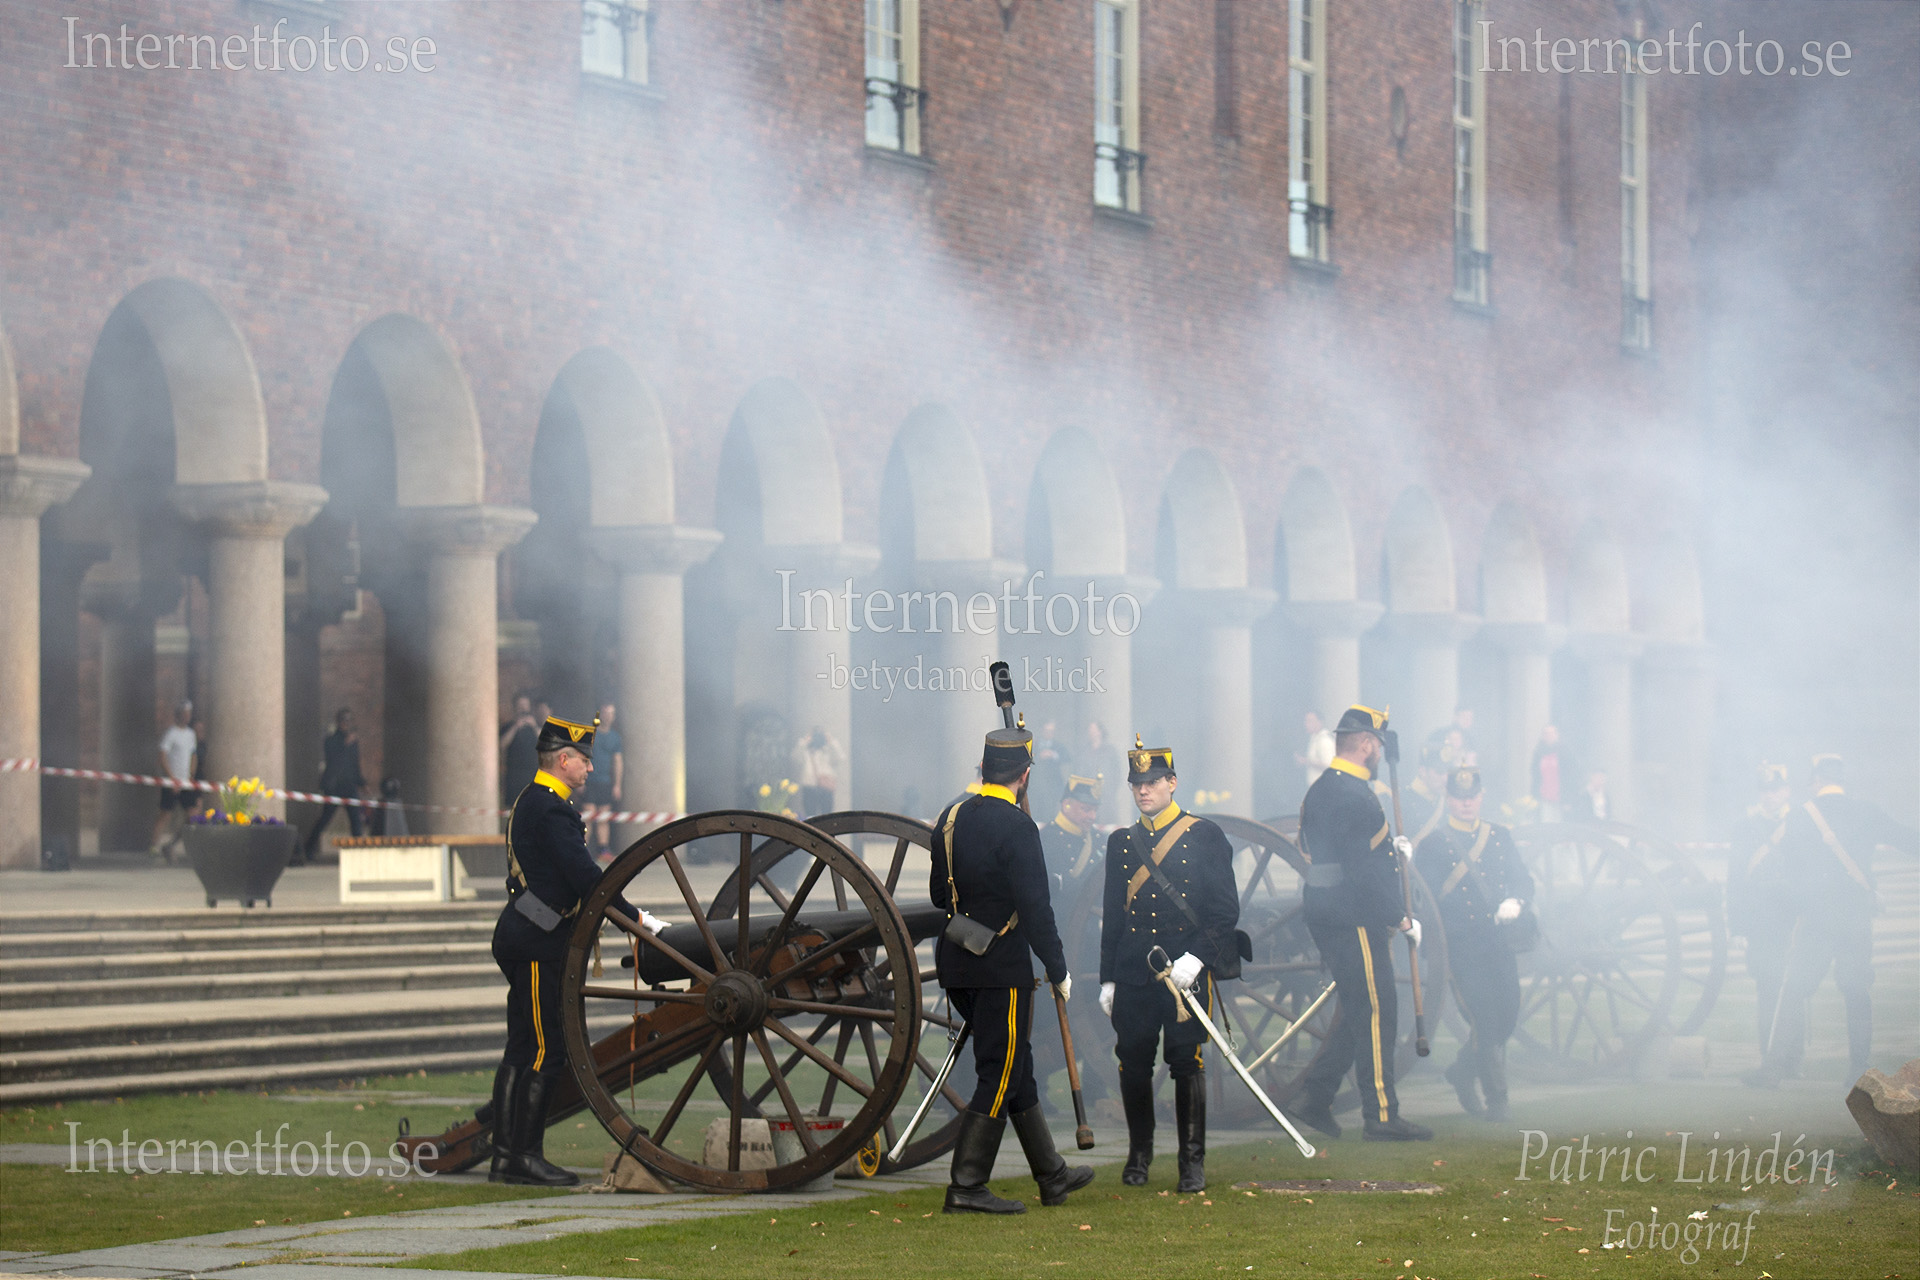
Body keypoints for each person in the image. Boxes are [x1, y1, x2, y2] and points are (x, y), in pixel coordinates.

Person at [489, 714, 663, 1186]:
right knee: (547, 1049)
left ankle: (506, 1157)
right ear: (563, 760)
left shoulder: (537, 801)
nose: (590, 769)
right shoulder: (552, 809)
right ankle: (522, 1157)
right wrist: (637, 919)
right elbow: (587, 879)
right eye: (584, 761)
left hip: (528, 934)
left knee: (523, 1045)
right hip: (537, 941)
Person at [930, 720, 1092, 1215]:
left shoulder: (950, 816)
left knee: (1016, 1069)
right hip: (1000, 967)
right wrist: (1059, 968)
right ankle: (967, 1185)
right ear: (1024, 776)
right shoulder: (1019, 827)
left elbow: (941, 895)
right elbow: (1037, 910)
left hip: (956, 959)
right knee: (998, 1073)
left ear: (983, 768)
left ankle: (1051, 1174)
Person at [1097, 737, 1239, 1192]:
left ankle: (1191, 1164)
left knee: (1185, 1062)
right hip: (1135, 974)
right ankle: (1139, 1155)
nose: (1144, 790)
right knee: (1133, 1062)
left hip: (1186, 975)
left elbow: (1223, 911)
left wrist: (1196, 959)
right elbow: (1112, 917)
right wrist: (1107, 979)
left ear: (1172, 783)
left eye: (1153, 782)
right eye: (1137, 783)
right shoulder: (1121, 843)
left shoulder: (1204, 835)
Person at [1286, 705, 1432, 1142]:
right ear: (1366, 743)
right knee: (1377, 1010)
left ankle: (1316, 1097)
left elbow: (1343, 852)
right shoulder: (1353, 794)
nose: (1378, 753)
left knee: (1357, 1009)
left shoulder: (1325, 788)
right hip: (1352, 915)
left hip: (1332, 908)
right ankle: (1381, 1115)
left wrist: (1391, 849)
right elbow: (1360, 870)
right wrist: (1400, 918)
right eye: (1377, 745)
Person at [1744, 755, 1919, 1088]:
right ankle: (1858, 1070)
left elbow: (1782, 867)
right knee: (1857, 991)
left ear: (1815, 781)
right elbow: (1908, 839)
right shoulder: (1868, 813)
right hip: (1855, 919)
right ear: (1842, 781)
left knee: (1795, 990)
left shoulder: (1800, 816)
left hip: (1817, 920)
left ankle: (1774, 1069)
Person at [1414, 767, 1534, 1122]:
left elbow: (1523, 880)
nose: (1466, 804)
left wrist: (1516, 900)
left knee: (1508, 1017)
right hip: (1460, 946)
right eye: (1458, 798)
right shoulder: (1433, 844)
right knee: (1484, 1019)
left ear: (1480, 797)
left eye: (1471, 797)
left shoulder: (1499, 836)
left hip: (1498, 942)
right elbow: (1425, 897)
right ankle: (1498, 1100)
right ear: (1448, 800)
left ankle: (1462, 1072)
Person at [1034, 773, 1108, 1109]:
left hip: (1090, 949)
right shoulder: (1045, 839)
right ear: (1066, 804)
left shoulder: (1099, 843)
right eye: (1084, 808)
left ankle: (1096, 1085)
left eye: (1094, 809)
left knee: (1095, 1015)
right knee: (1046, 1018)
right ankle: (1038, 1089)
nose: (1091, 815)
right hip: (1054, 943)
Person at [1724, 763, 1794, 1057]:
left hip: (1792, 920)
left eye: (1775, 790)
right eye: (1765, 790)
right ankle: (1770, 1055)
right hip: (1760, 922)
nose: (1770, 796)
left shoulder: (1799, 824)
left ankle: (1792, 1057)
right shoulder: (1745, 827)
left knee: (1794, 990)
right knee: (1767, 988)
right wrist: (1738, 927)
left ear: (1786, 791)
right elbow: (1736, 880)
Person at [301, 708, 367, 865]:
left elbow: (354, 765)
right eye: (344, 721)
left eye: (349, 721)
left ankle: (359, 854)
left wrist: (362, 783)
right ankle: (309, 848)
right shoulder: (331, 740)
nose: (346, 724)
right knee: (325, 818)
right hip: (335, 786)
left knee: (356, 820)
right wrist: (345, 745)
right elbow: (333, 760)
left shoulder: (353, 741)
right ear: (339, 722)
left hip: (350, 785)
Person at [150, 701, 197, 862]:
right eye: (185, 713)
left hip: (185, 782)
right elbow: (162, 756)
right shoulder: (171, 733)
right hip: (171, 781)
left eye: (189, 713)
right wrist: (171, 778)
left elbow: (193, 755)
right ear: (178, 715)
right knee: (165, 814)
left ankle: (171, 844)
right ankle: (154, 847)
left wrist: (191, 774)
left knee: (193, 816)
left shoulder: (191, 734)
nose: (187, 716)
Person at [584, 701, 624, 855]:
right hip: (589, 781)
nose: (608, 717)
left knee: (603, 817)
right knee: (588, 815)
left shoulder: (615, 738)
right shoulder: (590, 734)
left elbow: (617, 762)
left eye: (611, 714)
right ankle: (583, 848)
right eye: (605, 713)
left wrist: (617, 785)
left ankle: (603, 849)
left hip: (605, 782)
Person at [1398, 743, 1450, 847]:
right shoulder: (1401, 801)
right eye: (1439, 771)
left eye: (1448, 772)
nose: (1445, 778)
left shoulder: (1446, 801)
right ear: (1422, 771)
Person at [499, 691, 541, 809]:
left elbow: (546, 744)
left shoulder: (536, 727)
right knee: (513, 808)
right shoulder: (508, 726)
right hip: (514, 775)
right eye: (520, 706)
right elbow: (502, 744)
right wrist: (516, 727)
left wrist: (534, 726)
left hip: (532, 775)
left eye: (525, 706)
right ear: (515, 708)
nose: (522, 709)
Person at [795, 726, 842, 816]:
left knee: (827, 817)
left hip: (826, 787)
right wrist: (804, 742)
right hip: (809, 787)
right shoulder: (806, 751)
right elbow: (795, 757)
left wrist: (831, 742)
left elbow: (840, 758)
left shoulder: (828, 750)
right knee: (810, 816)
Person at [1530, 724, 1569, 822]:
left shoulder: (1565, 752)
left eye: (1552, 734)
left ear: (1557, 735)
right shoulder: (1538, 753)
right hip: (1544, 796)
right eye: (1546, 734)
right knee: (1546, 823)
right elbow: (1535, 775)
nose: (1549, 736)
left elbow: (1570, 776)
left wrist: (1568, 797)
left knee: (1560, 824)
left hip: (1561, 796)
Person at [1296, 711, 1335, 790]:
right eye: (1305, 721)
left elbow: (1329, 766)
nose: (1306, 724)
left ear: (1320, 722)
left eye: (1310, 721)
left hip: (1323, 788)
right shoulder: (1314, 738)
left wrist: (1307, 761)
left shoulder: (1325, 740)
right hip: (1314, 788)